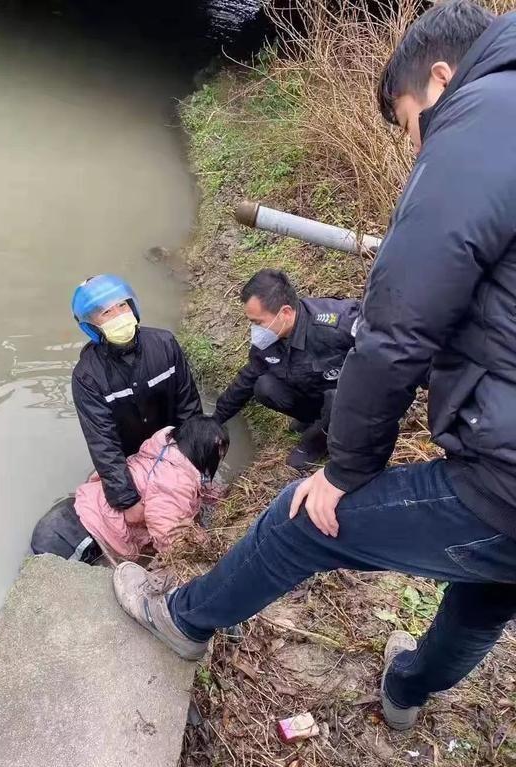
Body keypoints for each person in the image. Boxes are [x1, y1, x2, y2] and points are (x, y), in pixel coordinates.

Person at [112, 0, 516, 732]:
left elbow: (395, 334)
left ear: (441, 78)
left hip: (507, 477)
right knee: (486, 588)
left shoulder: (482, 120)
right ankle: (407, 690)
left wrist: (346, 468)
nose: (414, 144)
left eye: (407, 121)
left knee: (300, 518)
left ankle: (182, 618)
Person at [71, 274, 202, 526]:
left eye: (122, 305)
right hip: (129, 459)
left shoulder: (165, 345)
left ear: (133, 306)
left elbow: (189, 409)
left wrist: (194, 462)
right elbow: (103, 443)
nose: (119, 315)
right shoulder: (87, 377)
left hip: (172, 447)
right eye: (106, 312)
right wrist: (127, 500)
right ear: (91, 326)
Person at [212, 268, 360, 471]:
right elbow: (247, 378)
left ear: (286, 313)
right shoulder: (269, 339)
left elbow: (382, 355)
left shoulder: (338, 326)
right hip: (314, 393)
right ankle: (312, 420)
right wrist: (215, 419)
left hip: (352, 401)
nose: (255, 330)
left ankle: (316, 444)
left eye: (258, 322)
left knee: (337, 397)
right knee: (264, 387)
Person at [31, 415, 229, 563]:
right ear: (204, 453)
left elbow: (194, 484)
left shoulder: (164, 447)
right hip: (77, 538)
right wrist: (206, 542)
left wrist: (222, 495)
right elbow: (170, 538)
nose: (218, 462)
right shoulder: (174, 484)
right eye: (217, 457)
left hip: (75, 509)